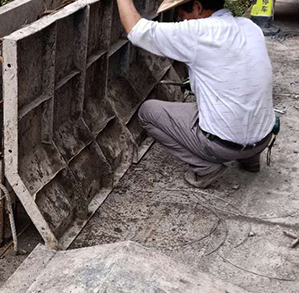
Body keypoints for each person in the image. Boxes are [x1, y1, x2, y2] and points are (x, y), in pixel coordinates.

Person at [116, 0, 275, 188]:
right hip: (264, 137)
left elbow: (136, 30)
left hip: (223, 146)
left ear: (198, 7)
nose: (181, 21)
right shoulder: (250, 27)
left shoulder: (197, 32)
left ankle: (206, 168)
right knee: (241, 102)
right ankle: (250, 158)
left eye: (182, 16)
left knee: (147, 112)